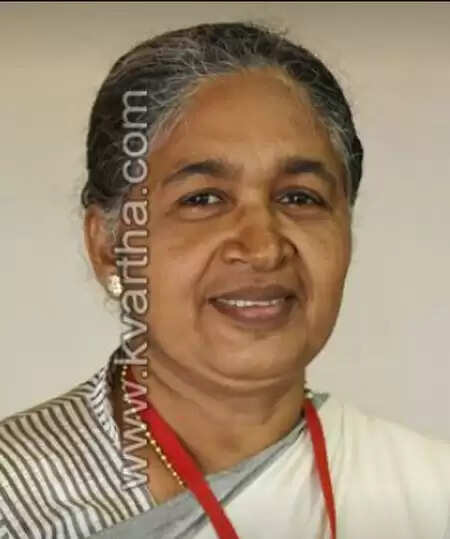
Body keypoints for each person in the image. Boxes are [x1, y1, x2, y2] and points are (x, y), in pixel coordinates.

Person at [0, 20, 448, 539]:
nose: (263, 248)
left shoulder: (427, 493)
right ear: (108, 247)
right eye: (203, 199)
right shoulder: (17, 500)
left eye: (299, 197)